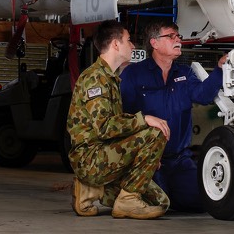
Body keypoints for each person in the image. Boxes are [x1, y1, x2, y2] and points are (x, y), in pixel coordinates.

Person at [67, 20, 171, 220]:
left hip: (105, 156)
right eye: (128, 40)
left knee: (160, 202)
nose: (133, 45)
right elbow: (105, 127)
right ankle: (126, 201)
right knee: (155, 132)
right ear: (115, 44)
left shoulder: (111, 78)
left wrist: (146, 155)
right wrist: (144, 119)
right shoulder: (95, 79)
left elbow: (114, 131)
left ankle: (90, 191)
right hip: (91, 159)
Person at [120, 21, 226, 213]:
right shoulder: (133, 74)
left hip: (179, 160)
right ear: (154, 43)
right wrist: (143, 155)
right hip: (148, 159)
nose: (178, 40)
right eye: (171, 36)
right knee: (158, 204)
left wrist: (219, 69)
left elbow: (203, 95)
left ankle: (174, 194)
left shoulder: (185, 74)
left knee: (205, 200)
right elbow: (124, 116)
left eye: (178, 37)